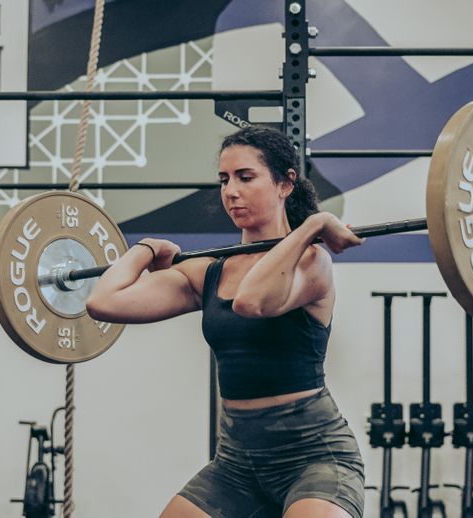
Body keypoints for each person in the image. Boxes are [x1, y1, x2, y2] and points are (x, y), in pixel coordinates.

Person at [85, 125, 366, 518]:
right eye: (224, 179)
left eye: (245, 177)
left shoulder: (312, 262)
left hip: (314, 457)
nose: (231, 191)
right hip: (237, 462)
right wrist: (145, 249)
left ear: (285, 184)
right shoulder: (208, 273)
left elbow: (252, 301)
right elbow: (103, 302)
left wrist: (313, 227)